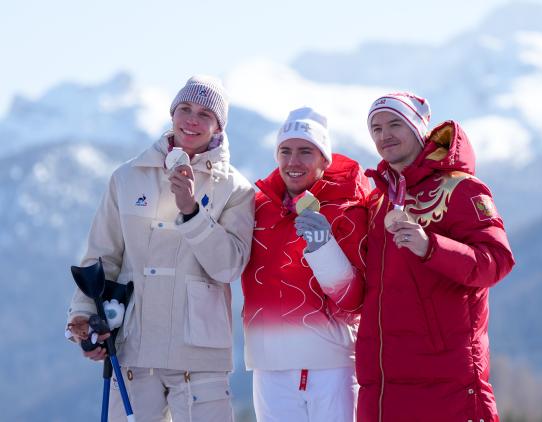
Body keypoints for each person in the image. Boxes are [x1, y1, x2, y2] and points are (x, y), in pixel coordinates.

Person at [65, 75, 255, 422]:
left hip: (199, 354)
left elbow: (229, 267)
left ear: (219, 127)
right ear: (172, 115)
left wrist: (191, 211)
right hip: (135, 345)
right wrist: (81, 319)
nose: (192, 120)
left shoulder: (237, 189)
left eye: (205, 114)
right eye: (185, 108)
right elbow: (101, 257)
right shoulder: (127, 177)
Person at [356, 92, 515, 421]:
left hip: (446, 384)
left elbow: (496, 261)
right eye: (376, 128)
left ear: (418, 129)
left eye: (395, 124)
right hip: (382, 386)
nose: (385, 135)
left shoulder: (462, 189)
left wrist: (431, 247)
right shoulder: (377, 201)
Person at [241, 106, 370, 422]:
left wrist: (324, 248)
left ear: (324, 160)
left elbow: (354, 300)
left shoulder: (349, 209)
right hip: (269, 364)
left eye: (305, 151)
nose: (293, 161)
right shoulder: (257, 208)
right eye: (285, 151)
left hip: (332, 365)